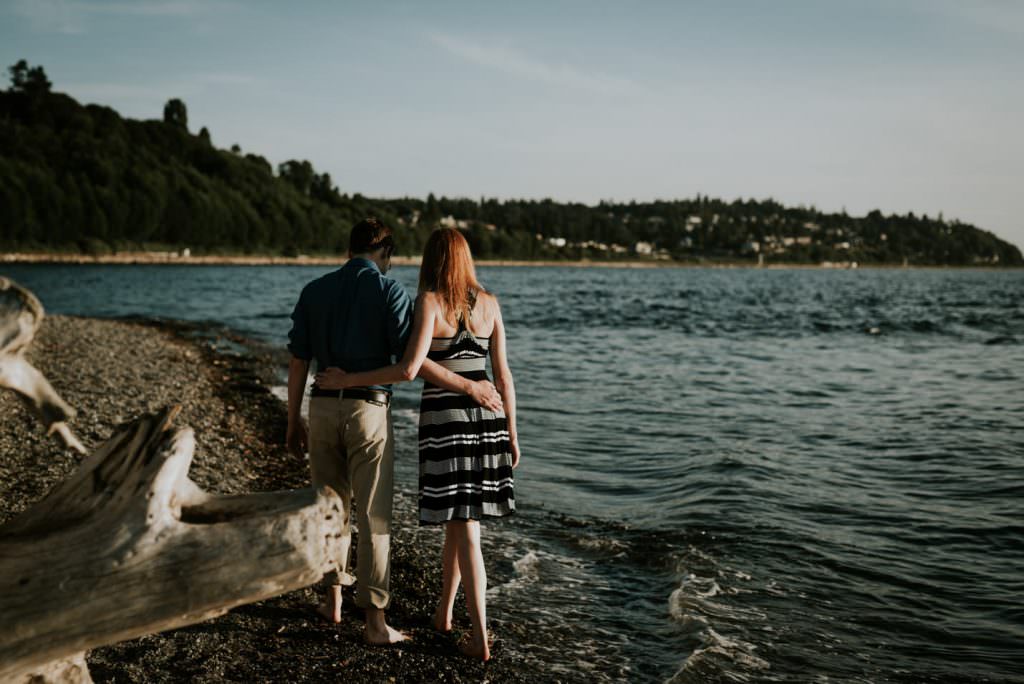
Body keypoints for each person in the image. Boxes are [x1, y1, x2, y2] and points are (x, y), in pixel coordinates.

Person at [286, 218, 503, 645]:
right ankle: (374, 622)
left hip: (322, 407)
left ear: (350, 250)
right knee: (374, 516)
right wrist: (471, 386)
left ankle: (332, 601)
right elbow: (412, 363)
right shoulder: (390, 292)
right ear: (385, 252)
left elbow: (298, 360)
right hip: (368, 410)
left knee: (330, 508)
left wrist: (293, 419)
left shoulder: (314, 291)